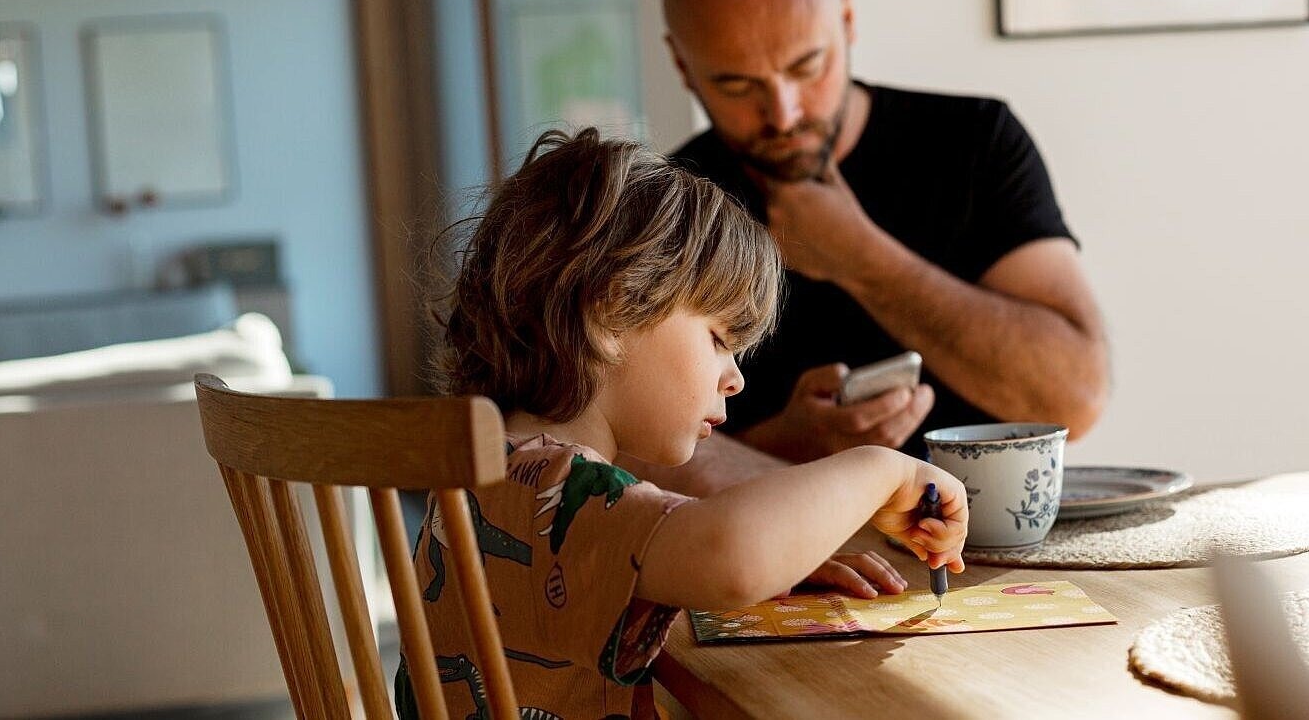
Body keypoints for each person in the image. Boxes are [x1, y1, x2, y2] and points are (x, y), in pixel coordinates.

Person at [403, 129, 968, 720]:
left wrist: (778, 558)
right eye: (719, 339)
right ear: (611, 309)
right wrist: (882, 468)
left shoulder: (493, 467)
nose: (735, 380)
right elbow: (732, 555)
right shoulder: (553, 488)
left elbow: (715, 559)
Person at [628, 0, 1110, 495]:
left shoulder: (976, 141)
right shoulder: (666, 206)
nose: (783, 113)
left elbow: (1076, 397)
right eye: (737, 86)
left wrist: (861, 258)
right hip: (785, 567)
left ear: (848, 19)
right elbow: (624, 457)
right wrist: (790, 447)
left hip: (993, 554)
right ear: (682, 65)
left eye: (808, 66)